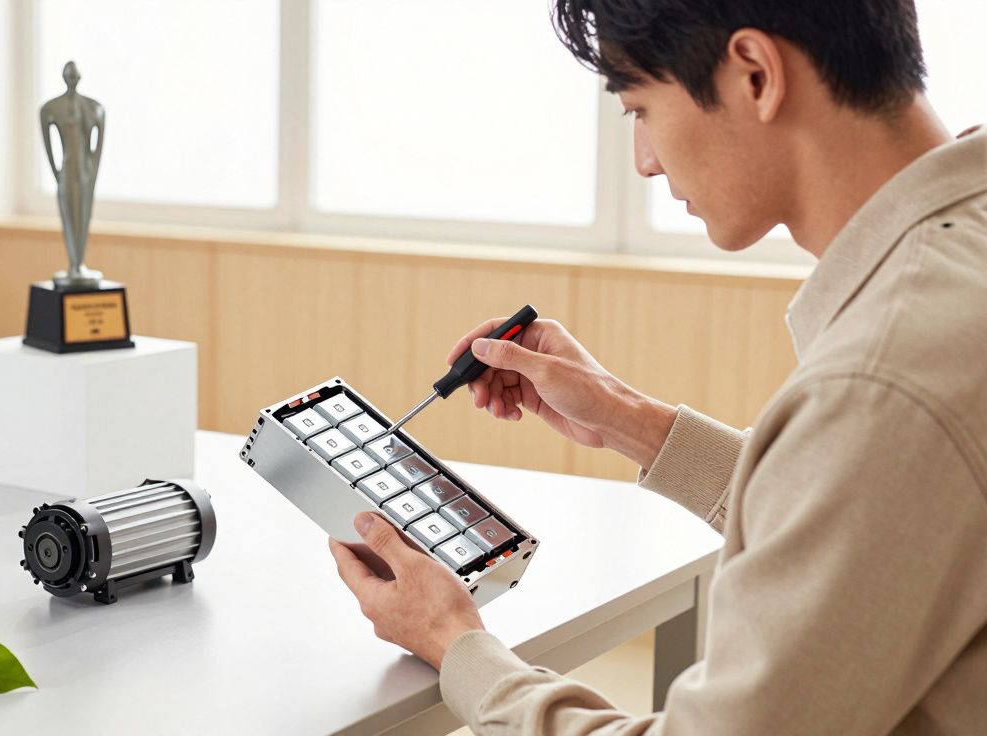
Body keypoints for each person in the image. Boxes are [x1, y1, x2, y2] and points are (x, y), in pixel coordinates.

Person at [328, 1, 987, 733]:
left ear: (755, 75)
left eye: (639, 107)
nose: (644, 159)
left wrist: (456, 645)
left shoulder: (883, 377)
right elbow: (881, 519)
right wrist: (626, 418)